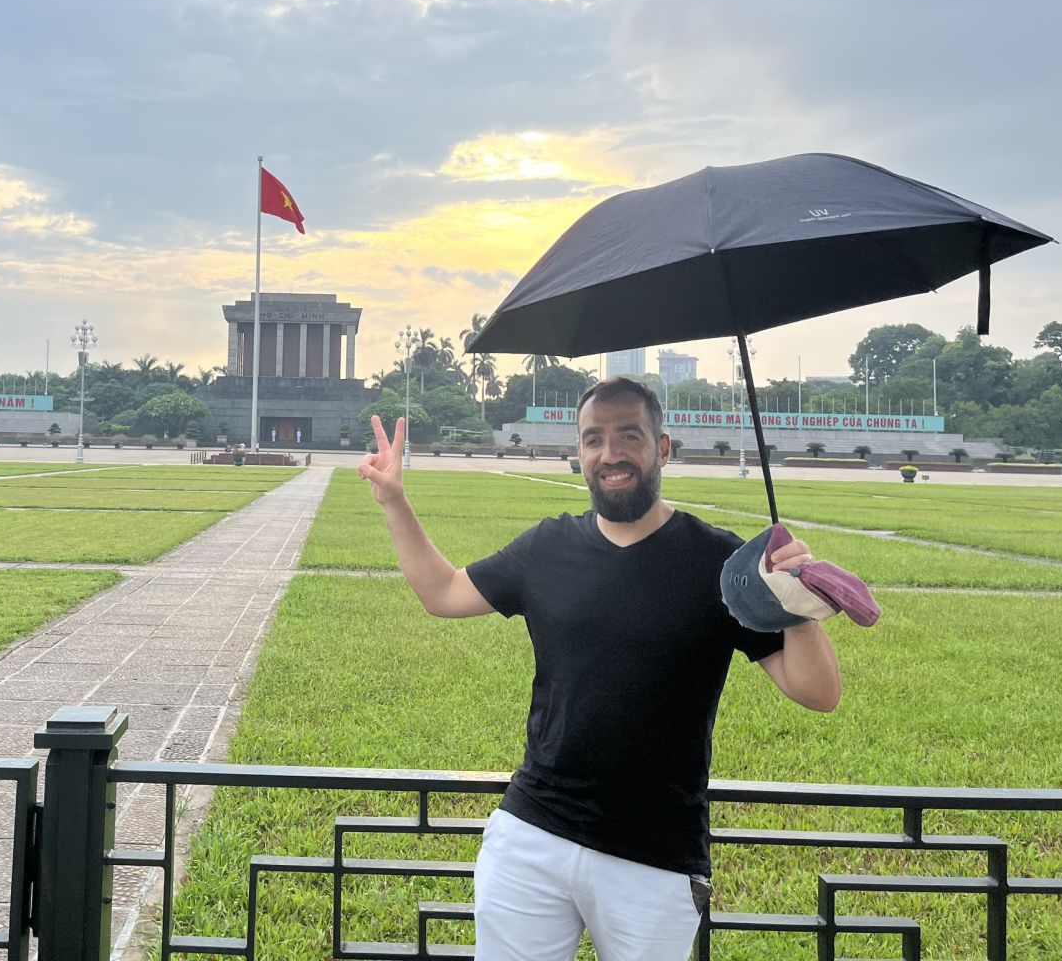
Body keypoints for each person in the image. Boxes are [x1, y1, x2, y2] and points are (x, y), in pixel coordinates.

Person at [358, 377, 843, 961]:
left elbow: (819, 693)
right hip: (533, 834)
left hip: (655, 857)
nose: (610, 453)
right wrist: (394, 500)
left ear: (662, 447)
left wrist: (796, 608)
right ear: (580, 452)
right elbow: (442, 593)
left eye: (629, 436)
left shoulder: (720, 563)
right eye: (594, 439)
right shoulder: (548, 546)